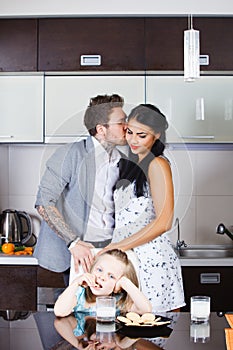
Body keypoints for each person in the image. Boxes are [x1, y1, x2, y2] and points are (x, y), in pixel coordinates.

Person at [100, 104, 185, 313]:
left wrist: (117, 247)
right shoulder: (129, 164)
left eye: (141, 135)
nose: (133, 140)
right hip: (128, 260)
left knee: (150, 332)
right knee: (126, 335)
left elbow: (164, 222)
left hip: (152, 261)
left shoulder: (157, 164)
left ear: (156, 135)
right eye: (129, 132)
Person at [34, 94, 127, 284]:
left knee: (109, 310)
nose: (128, 126)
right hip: (75, 253)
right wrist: (73, 242)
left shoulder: (122, 161)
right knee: (74, 310)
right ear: (101, 129)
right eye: (121, 122)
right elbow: (44, 202)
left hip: (110, 252)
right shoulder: (70, 154)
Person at [54, 249, 152, 317]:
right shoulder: (80, 295)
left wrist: (125, 283)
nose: (102, 277)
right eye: (99, 270)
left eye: (111, 276)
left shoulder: (119, 302)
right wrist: (75, 283)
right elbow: (59, 311)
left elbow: (145, 310)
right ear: (91, 270)